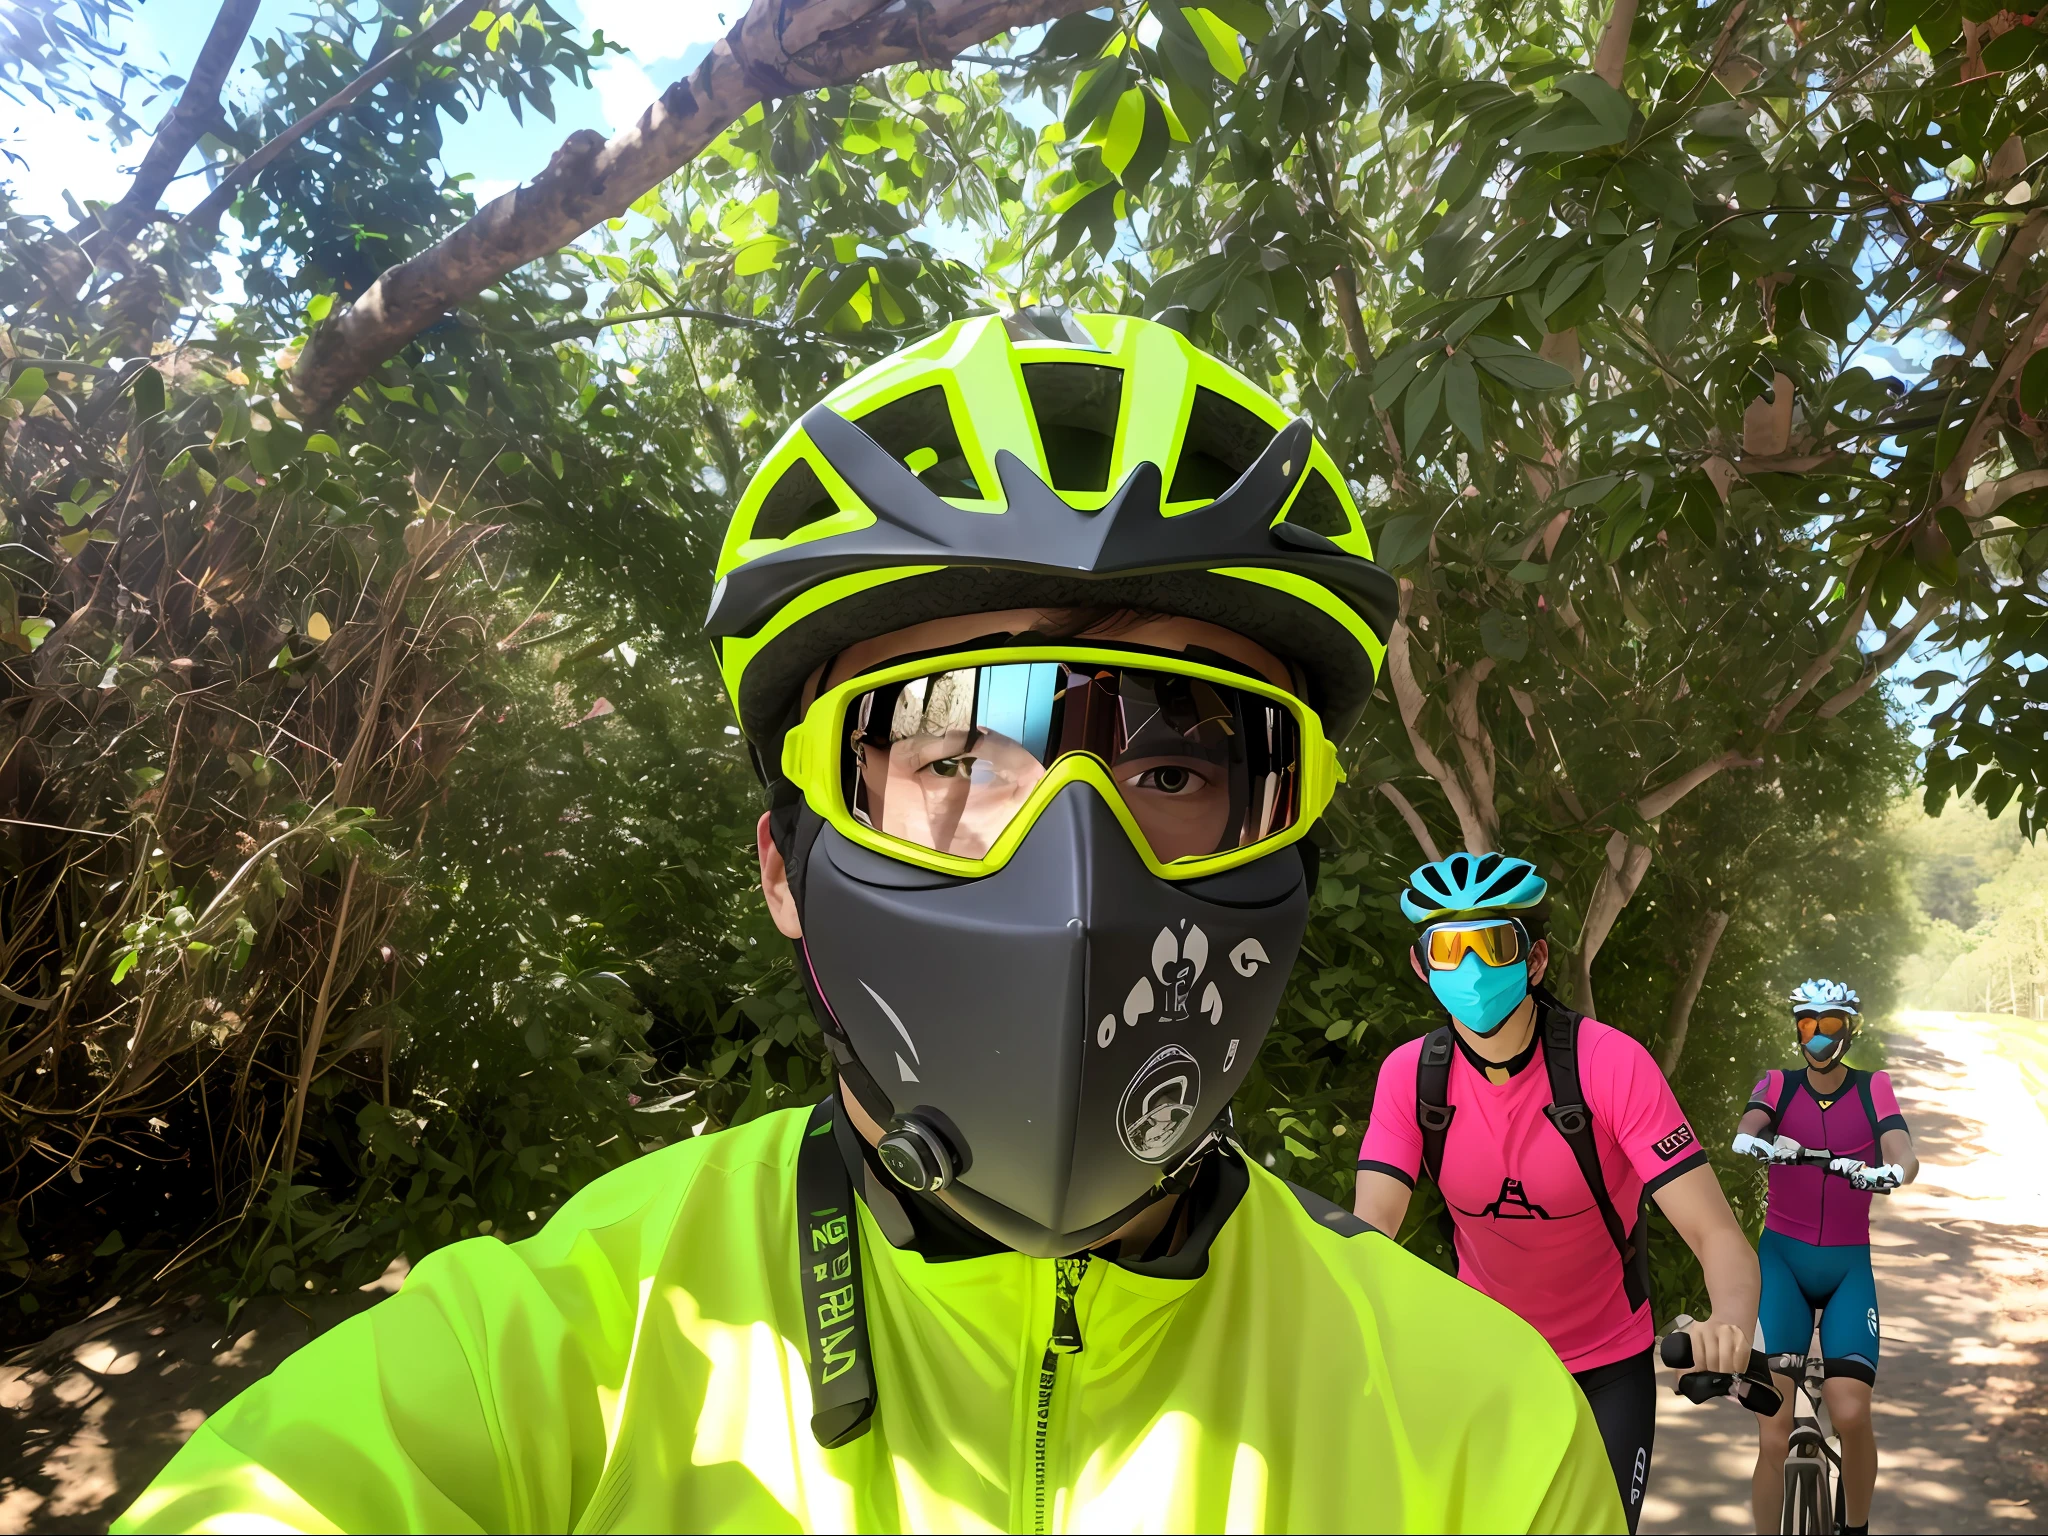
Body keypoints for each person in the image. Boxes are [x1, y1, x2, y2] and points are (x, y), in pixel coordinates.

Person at [114, 314, 1623, 1534]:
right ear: (786, 864)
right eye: (959, 754)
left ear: (1286, 847)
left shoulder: (1476, 1429)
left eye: (1172, 761)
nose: (1075, 857)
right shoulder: (584, 1347)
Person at [1353, 852, 1764, 1535]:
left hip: (1608, 1364)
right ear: (1421, 965)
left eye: (1495, 944)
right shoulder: (1411, 1077)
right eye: (1449, 949)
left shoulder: (1609, 1065)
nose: (1473, 971)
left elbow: (1713, 1231)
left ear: (1536, 960)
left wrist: (1731, 1322)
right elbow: (1371, 1230)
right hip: (1483, 1357)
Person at [1731, 979, 1916, 1536]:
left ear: (1848, 1029)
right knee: (1773, 1429)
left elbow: (1901, 1148)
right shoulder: (1777, 1084)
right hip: (1781, 1263)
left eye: (1829, 1024)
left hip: (1846, 1268)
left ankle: (1854, 1526)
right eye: (1807, 1025)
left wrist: (1893, 1172)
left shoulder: (1872, 1086)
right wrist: (1760, 1141)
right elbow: (1748, 1127)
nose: (1816, 1037)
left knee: (1852, 1412)